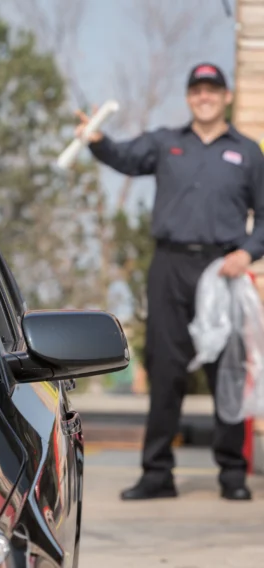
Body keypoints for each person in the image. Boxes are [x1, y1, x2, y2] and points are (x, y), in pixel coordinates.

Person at [76, 63, 264, 501]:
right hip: (170, 268)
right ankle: (157, 473)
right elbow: (123, 156)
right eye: (197, 90)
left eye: (212, 90)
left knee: (228, 372)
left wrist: (247, 253)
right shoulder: (165, 143)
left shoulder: (248, 152)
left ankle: (233, 475)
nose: (205, 97)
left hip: (224, 271)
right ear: (188, 97)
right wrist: (98, 141)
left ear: (227, 96)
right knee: (165, 371)